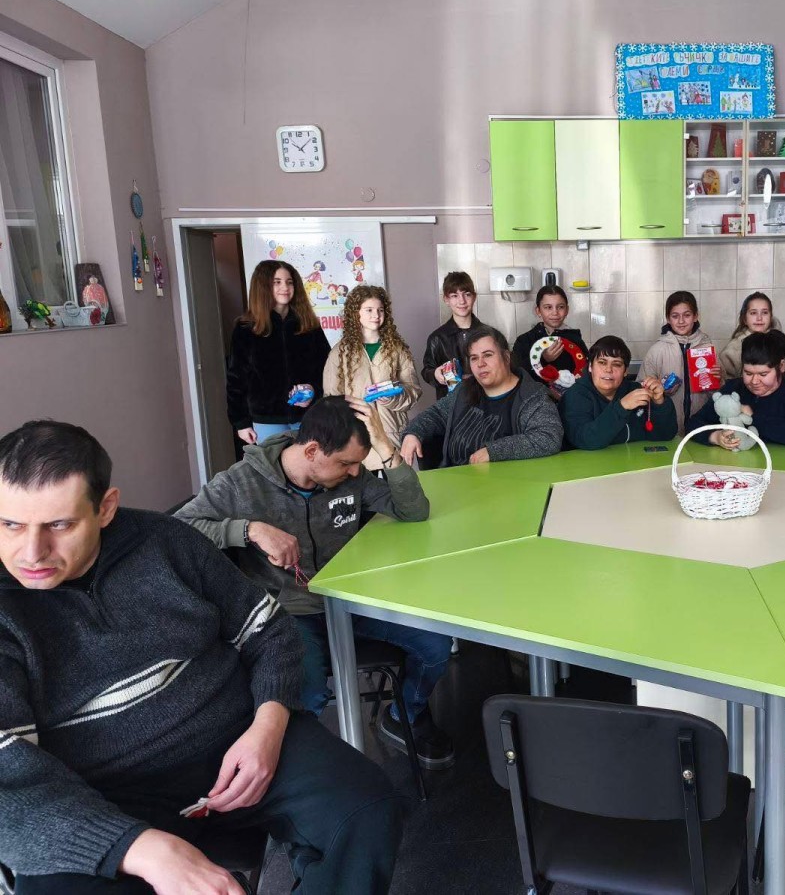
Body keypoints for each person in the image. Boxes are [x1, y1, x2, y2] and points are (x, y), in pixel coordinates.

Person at [0, 420, 401, 894]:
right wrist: (141, 848)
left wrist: (268, 729)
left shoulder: (166, 541)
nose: (31, 552)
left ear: (105, 508)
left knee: (367, 810)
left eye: (60, 525)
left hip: (239, 735)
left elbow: (268, 629)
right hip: (100, 793)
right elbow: (9, 782)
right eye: (10, 524)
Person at [175, 397, 456, 770]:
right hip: (288, 613)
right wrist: (248, 530)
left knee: (435, 645)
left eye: (358, 463)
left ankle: (403, 715)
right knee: (304, 693)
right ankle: (303, 772)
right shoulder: (241, 483)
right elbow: (178, 529)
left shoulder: (352, 477)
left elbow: (414, 511)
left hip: (351, 601)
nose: (355, 472)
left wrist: (387, 449)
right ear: (311, 451)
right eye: (345, 463)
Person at [401, 326, 563, 468]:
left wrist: (493, 452)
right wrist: (413, 433)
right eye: (474, 358)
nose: (480, 364)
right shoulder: (464, 391)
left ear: (506, 357)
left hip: (509, 486)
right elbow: (435, 414)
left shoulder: (532, 396)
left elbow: (548, 437)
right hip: (457, 482)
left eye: (488, 355)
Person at [226, 259, 331, 445]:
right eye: (277, 282)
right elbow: (236, 379)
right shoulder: (245, 328)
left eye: (289, 282)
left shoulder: (309, 325)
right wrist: (241, 423)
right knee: (274, 465)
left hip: (308, 417)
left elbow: (327, 368)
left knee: (311, 464)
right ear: (263, 286)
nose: (285, 287)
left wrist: (314, 390)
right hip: (266, 421)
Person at [323, 285, 422, 470]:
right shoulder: (340, 352)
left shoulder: (397, 349)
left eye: (380, 310)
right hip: (356, 436)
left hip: (391, 433)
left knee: (396, 483)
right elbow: (331, 398)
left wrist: (392, 398)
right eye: (369, 310)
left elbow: (413, 390)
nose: (376, 315)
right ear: (356, 313)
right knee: (362, 484)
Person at [688, 330, 785, 449]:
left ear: (781, 366)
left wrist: (750, 417)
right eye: (748, 373)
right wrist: (716, 437)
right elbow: (694, 423)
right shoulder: (733, 389)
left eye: (763, 374)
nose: (754, 381)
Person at [560, 335, 677, 450]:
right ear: (590, 366)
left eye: (616, 364)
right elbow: (586, 440)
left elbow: (666, 434)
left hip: (634, 460)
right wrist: (622, 407)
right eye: (602, 362)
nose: (608, 369)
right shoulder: (575, 395)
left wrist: (659, 403)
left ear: (625, 371)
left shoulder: (637, 391)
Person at [638, 291, 720, 431]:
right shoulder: (657, 351)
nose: (681, 321)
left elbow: (720, 395)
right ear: (668, 319)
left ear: (695, 316)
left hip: (702, 428)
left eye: (687, 315)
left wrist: (718, 380)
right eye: (675, 316)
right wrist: (659, 389)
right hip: (667, 428)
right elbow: (641, 390)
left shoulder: (708, 349)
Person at [512, 284, 590, 401]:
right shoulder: (524, 340)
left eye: (560, 307)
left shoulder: (575, 340)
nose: (555, 312)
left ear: (567, 310)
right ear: (538, 311)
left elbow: (586, 372)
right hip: (534, 402)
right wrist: (542, 359)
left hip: (569, 401)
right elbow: (515, 373)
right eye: (548, 307)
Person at [719, 292, 785, 382]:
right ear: (744, 319)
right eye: (753, 313)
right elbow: (728, 387)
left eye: (765, 313)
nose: (759, 318)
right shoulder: (731, 352)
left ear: (770, 317)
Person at [422, 271, 482, 399]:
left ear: (474, 297)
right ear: (446, 299)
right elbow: (427, 371)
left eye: (467, 294)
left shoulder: (490, 334)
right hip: (450, 404)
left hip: (486, 402)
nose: (462, 301)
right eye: (454, 295)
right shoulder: (437, 338)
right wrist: (435, 374)